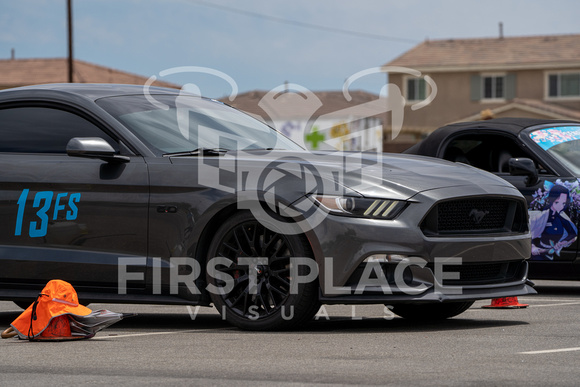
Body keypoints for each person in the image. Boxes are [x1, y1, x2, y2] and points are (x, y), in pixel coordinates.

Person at [530, 184, 577, 260]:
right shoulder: (543, 215)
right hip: (538, 253)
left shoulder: (561, 217)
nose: (561, 206)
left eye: (563, 203)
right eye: (557, 202)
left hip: (551, 255)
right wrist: (533, 246)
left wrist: (562, 243)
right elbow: (531, 231)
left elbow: (573, 233)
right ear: (552, 200)